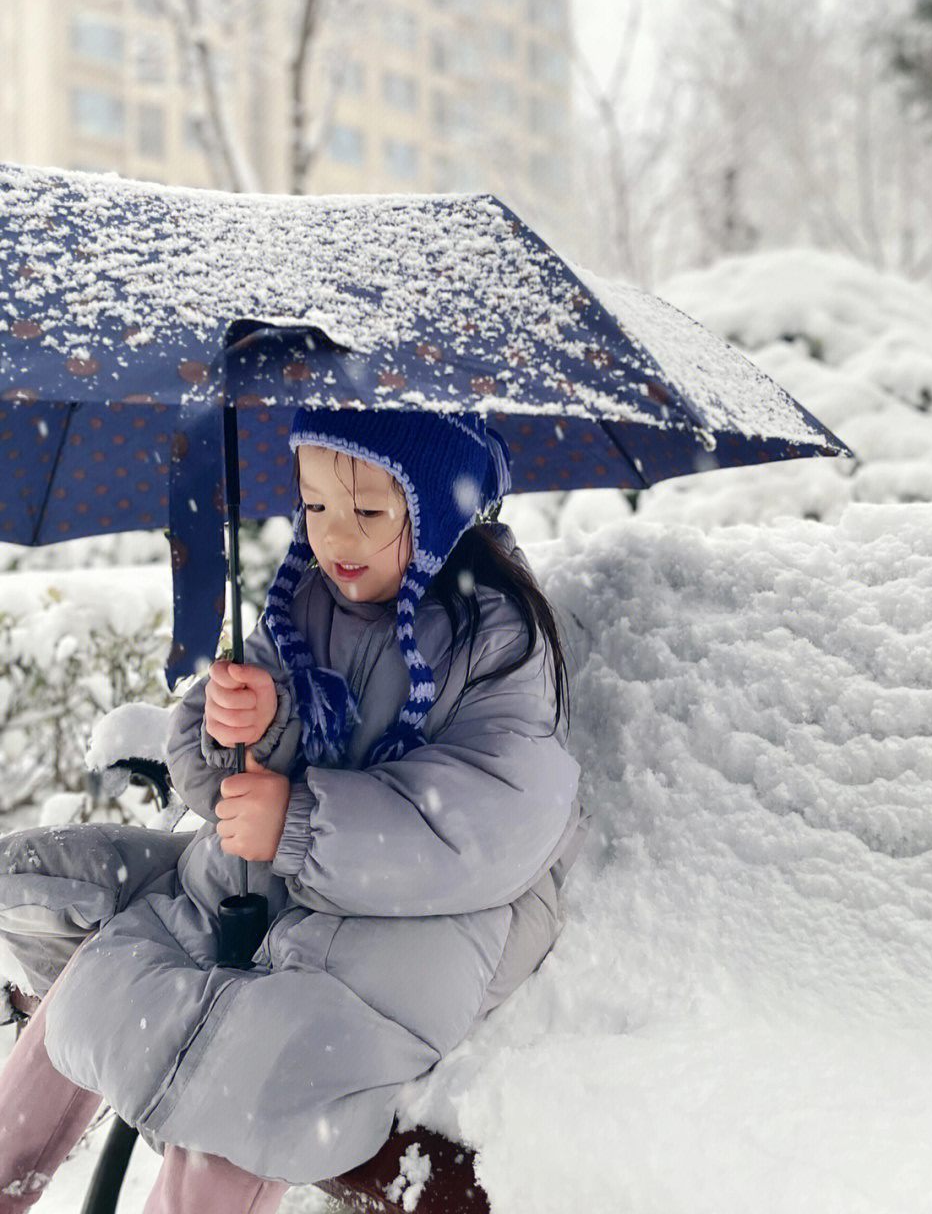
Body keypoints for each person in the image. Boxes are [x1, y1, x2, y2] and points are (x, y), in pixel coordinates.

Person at [0, 407, 585, 1212]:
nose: (336, 538)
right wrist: (244, 726)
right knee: (103, 985)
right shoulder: (304, 602)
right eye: (314, 507)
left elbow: (496, 820)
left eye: (369, 513)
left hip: (421, 921)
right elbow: (225, 792)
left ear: (438, 508)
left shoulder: (495, 641)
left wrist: (301, 821)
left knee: (253, 1087)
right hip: (276, 892)